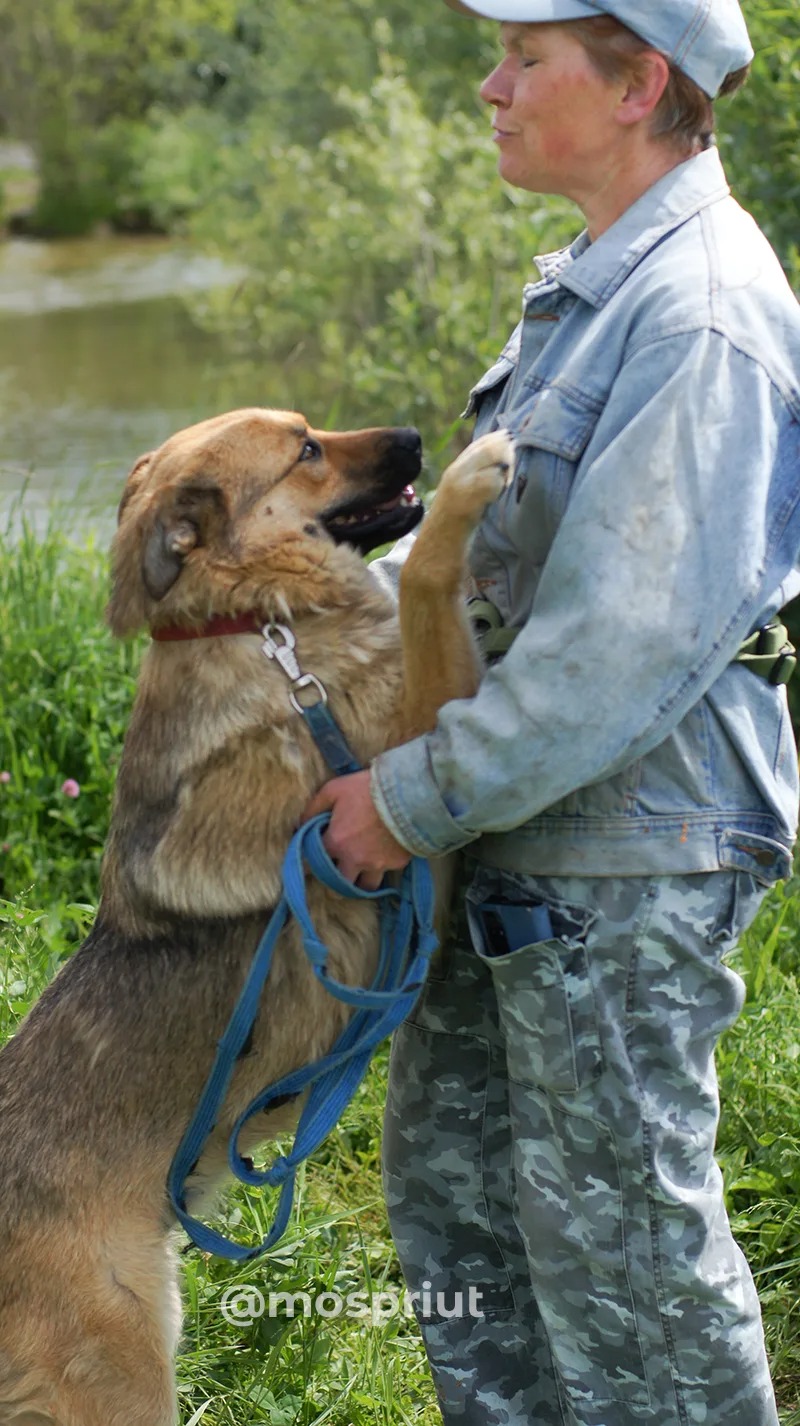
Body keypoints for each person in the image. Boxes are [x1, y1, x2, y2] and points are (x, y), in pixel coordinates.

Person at [305, 2, 800, 1421]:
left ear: (643, 84)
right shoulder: (599, 286)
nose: (489, 86)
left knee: (631, 1281)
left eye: (529, 61)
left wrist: (402, 802)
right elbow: (489, 567)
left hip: (619, 868)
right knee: (475, 1240)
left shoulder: (700, 314)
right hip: (522, 851)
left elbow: (611, 651)